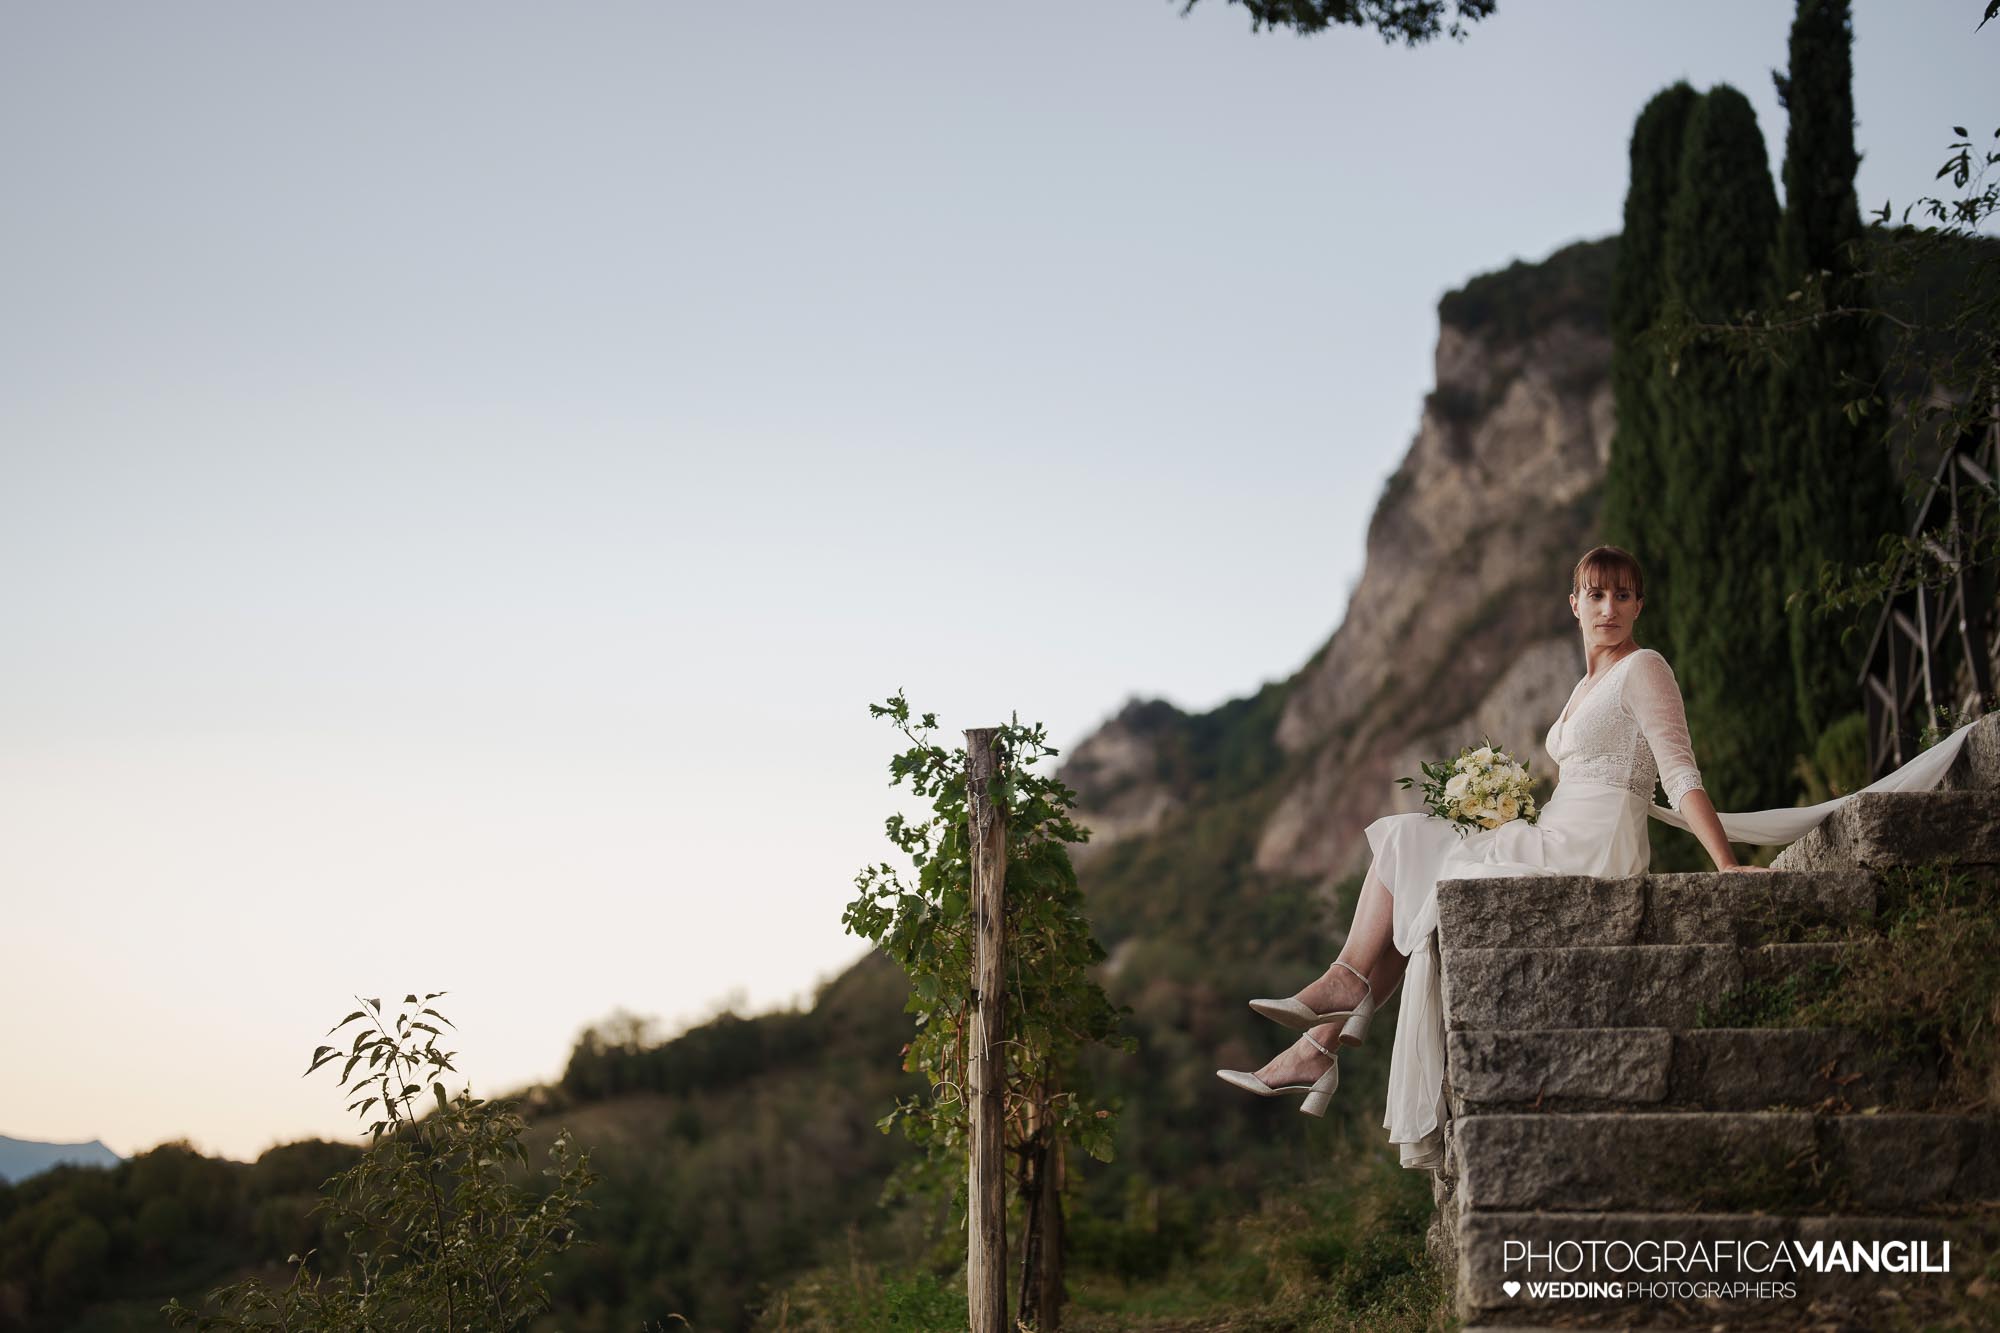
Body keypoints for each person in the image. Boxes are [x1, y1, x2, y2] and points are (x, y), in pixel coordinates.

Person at [1215, 544, 1981, 1169]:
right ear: (1573, 603)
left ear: (1638, 605)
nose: (1609, 607)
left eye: (1622, 595)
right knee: (1420, 877)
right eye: (1595, 593)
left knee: (1408, 840)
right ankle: (1319, 1044)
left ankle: (1336, 997)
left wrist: (1725, 862)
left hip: (1589, 848)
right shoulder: (1584, 687)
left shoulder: (1644, 669)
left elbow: (1679, 772)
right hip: (1554, 831)